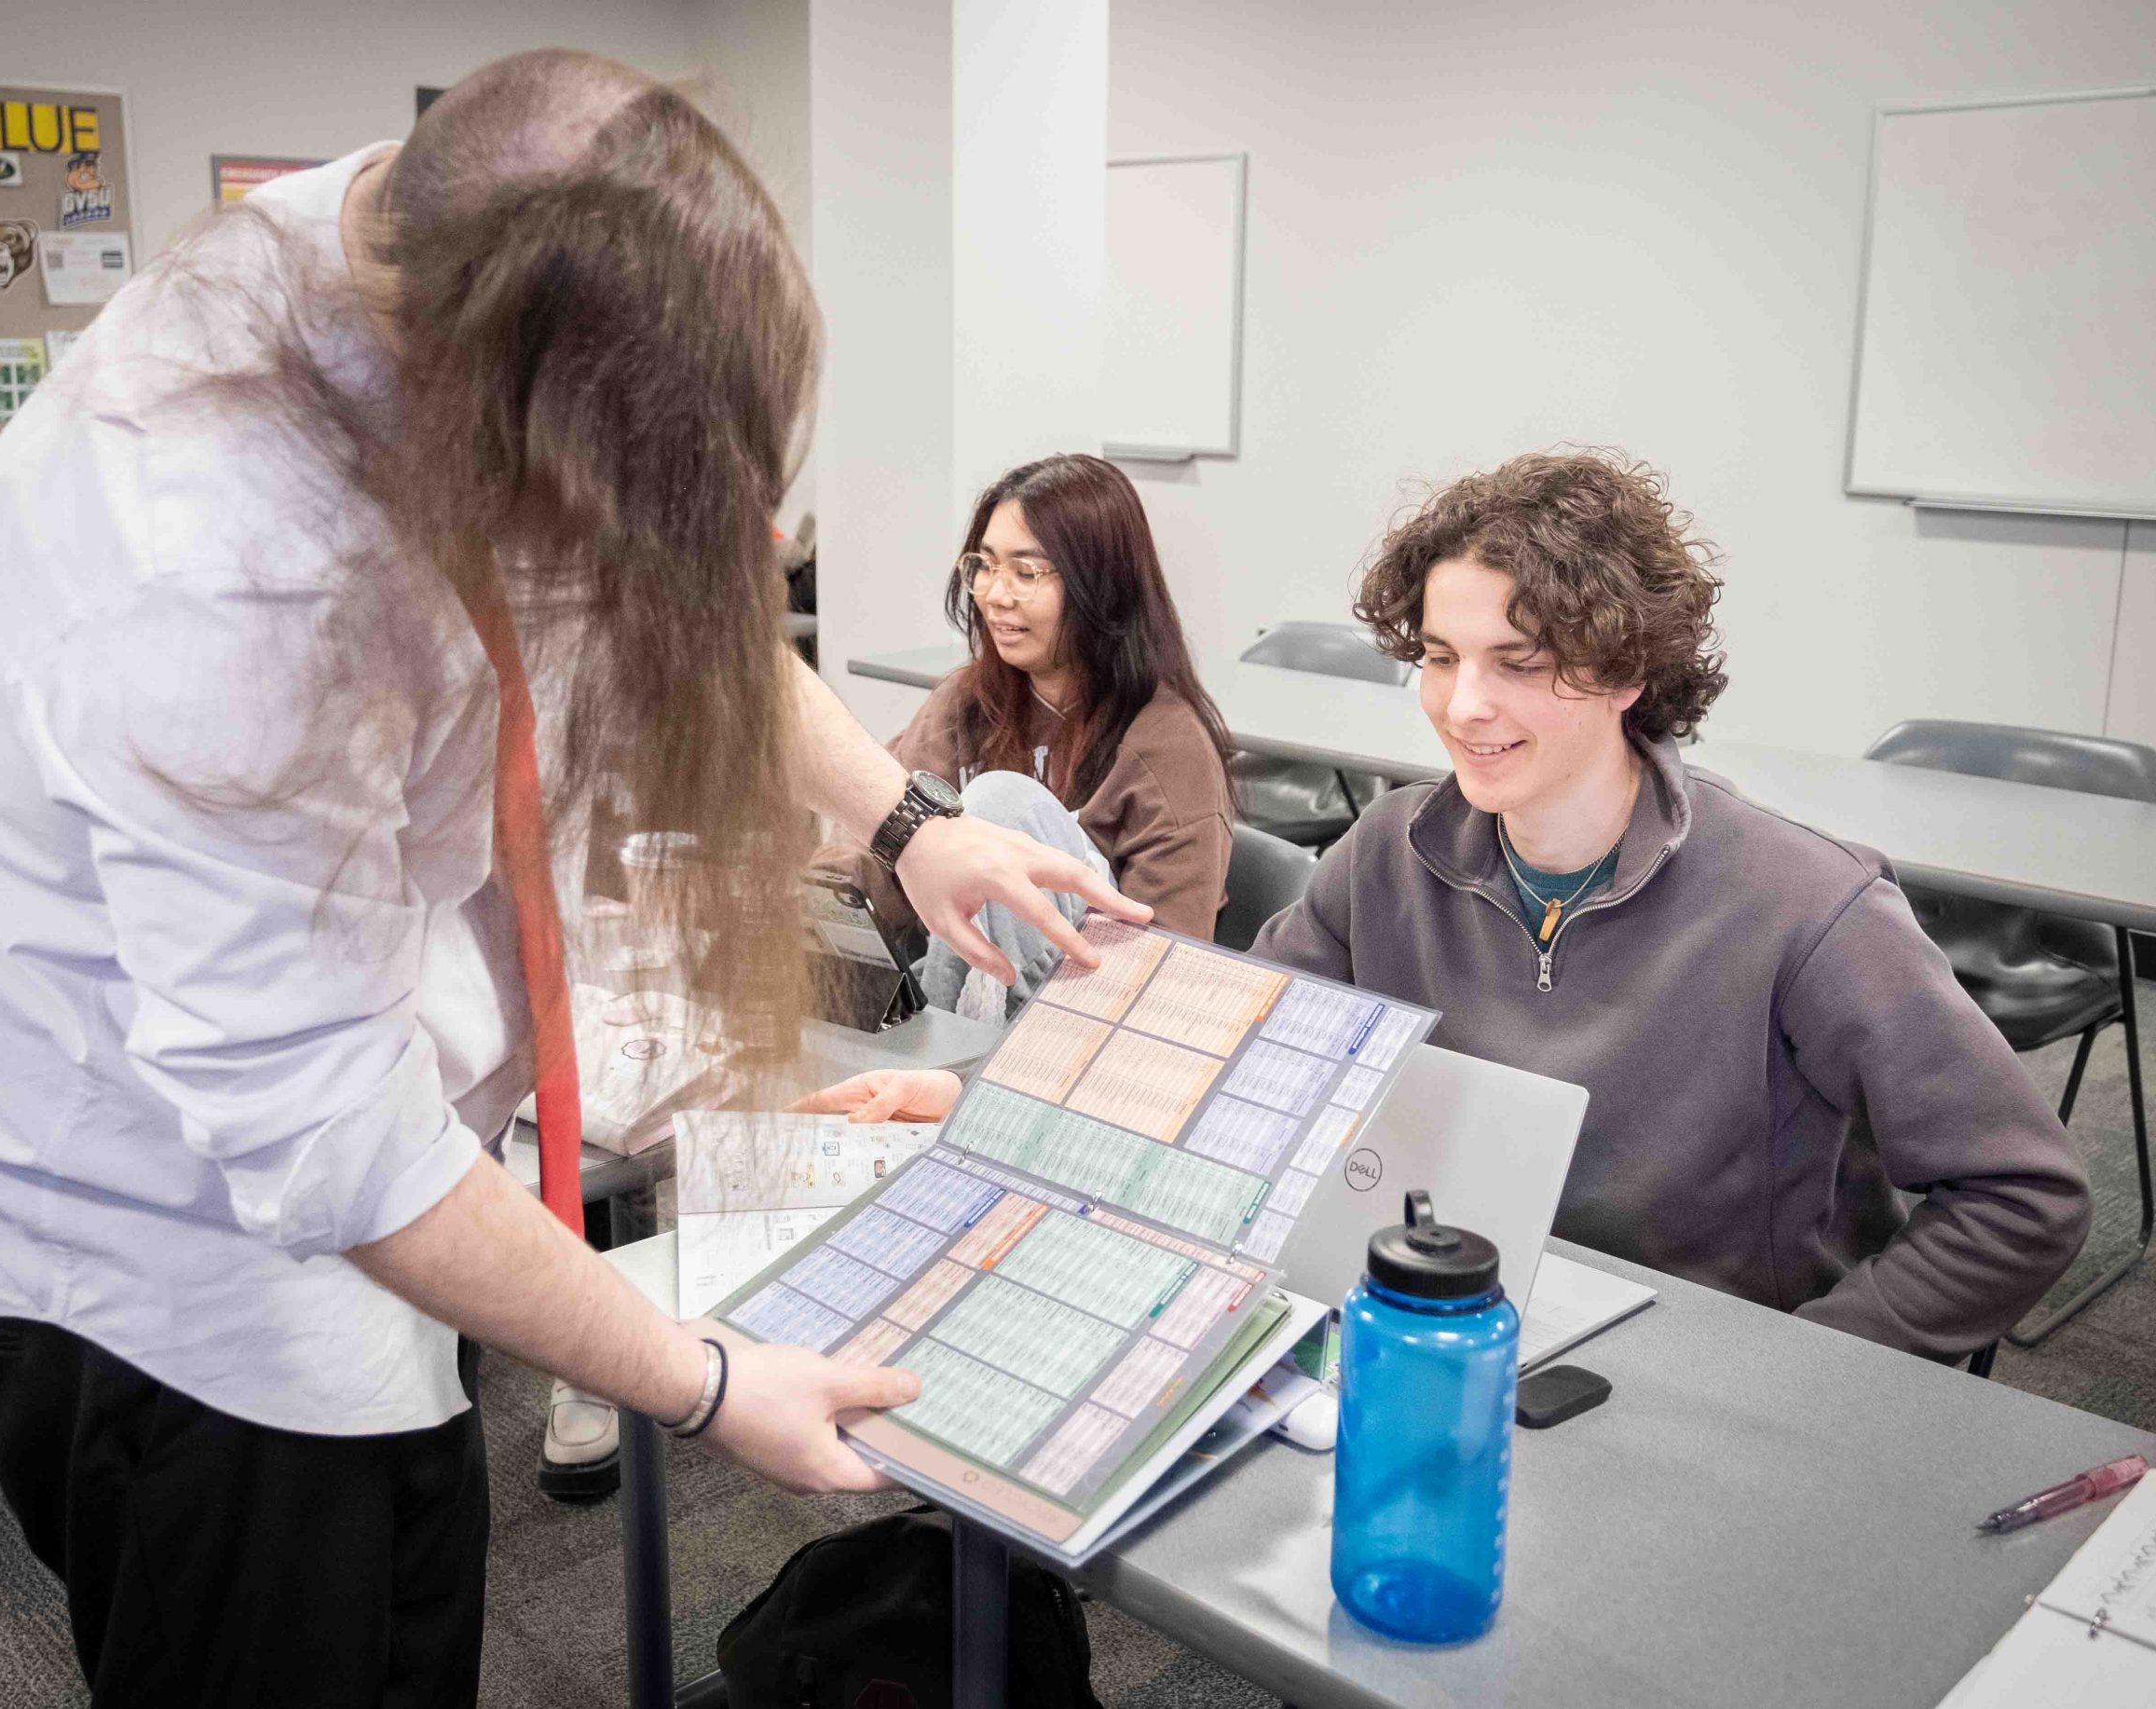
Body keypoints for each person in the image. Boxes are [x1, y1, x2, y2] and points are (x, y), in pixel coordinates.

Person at [0, 51, 1142, 1705]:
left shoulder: (438, 250)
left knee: (412, 1597)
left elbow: (690, 607)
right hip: (146, 1251)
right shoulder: (219, 573)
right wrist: (701, 1376)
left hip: (359, 1149)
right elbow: (321, 1140)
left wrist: (911, 821)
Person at [802, 449, 2092, 1364]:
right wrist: (981, 1094)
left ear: (1627, 669)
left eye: (1517, 664)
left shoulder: (1806, 906)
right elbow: (1217, 1038)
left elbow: (2025, 1195)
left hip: (1707, 1369)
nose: (1463, 705)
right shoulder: (1393, 853)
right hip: (1453, 1314)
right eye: (1436, 656)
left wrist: (1814, 1369)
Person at [852, 454, 1235, 1020]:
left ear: (1099, 587)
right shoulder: (966, 701)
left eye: (1026, 573)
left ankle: (942, 1056)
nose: (994, 594)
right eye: (983, 565)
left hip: (1088, 1031)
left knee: (996, 805)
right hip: (962, 1006)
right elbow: (873, 853)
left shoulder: (1166, 747)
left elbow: (1167, 976)